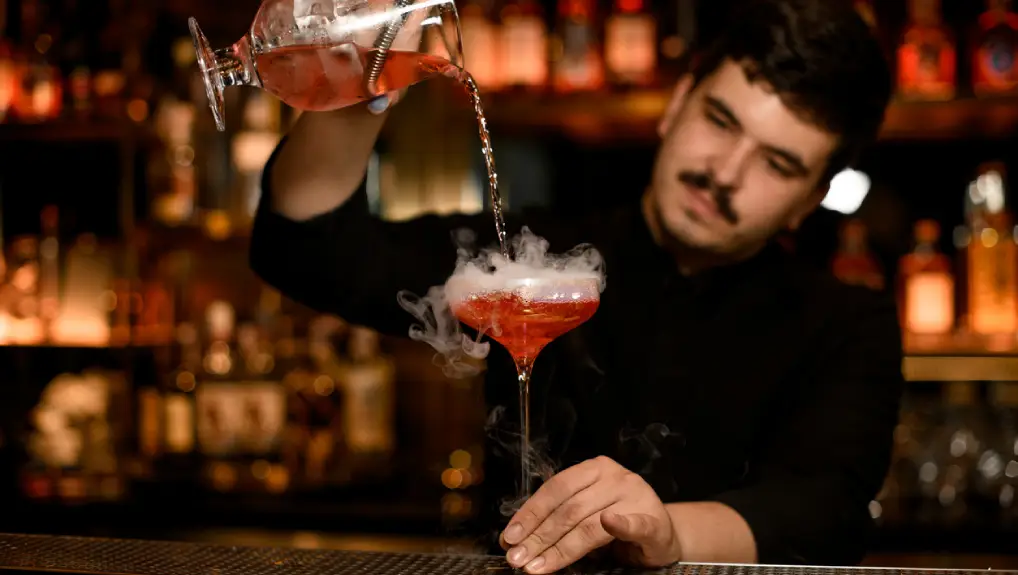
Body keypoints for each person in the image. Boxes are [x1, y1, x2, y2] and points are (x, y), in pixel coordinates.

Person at [249, 0, 902, 570]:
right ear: (677, 105)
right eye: (721, 121)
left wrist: (666, 532)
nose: (724, 172)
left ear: (810, 200)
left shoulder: (846, 322)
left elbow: (826, 510)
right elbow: (311, 251)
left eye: (778, 163)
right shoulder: (534, 261)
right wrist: (361, 79)